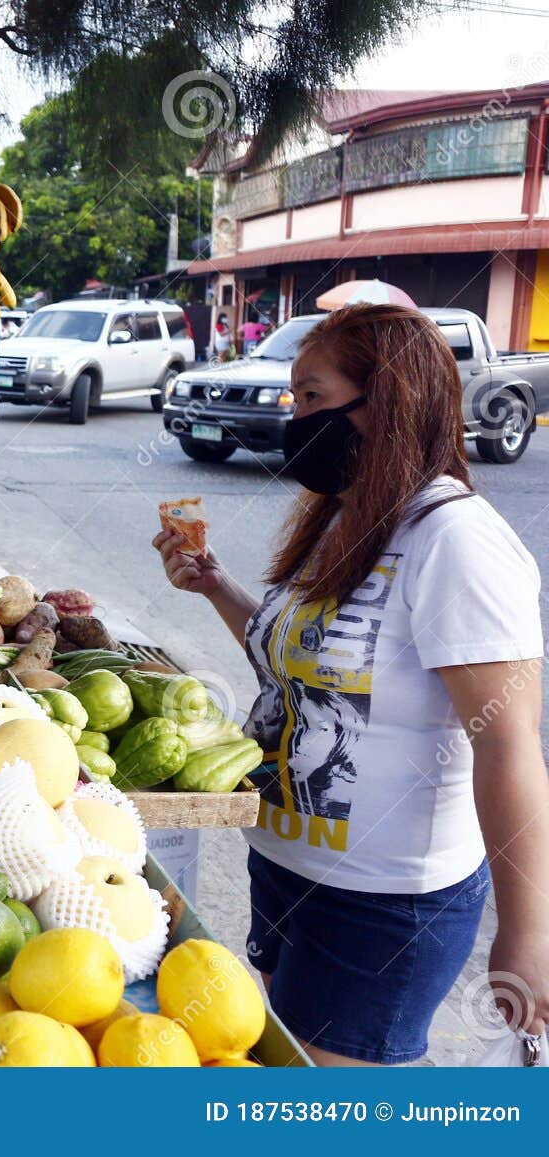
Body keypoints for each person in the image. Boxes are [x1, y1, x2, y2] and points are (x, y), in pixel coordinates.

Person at [153, 304, 548, 1065]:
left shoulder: (456, 540)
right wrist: (215, 586)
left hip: (383, 908)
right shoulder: (345, 519)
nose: (293, 416)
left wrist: (528, 931)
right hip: (284, 871)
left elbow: (507, 745)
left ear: (387, 399)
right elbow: (305, 668)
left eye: (311, 398)